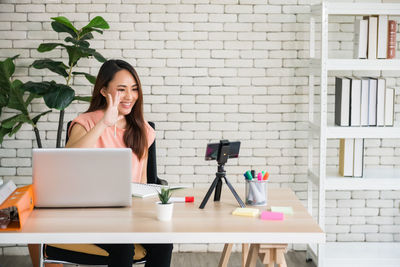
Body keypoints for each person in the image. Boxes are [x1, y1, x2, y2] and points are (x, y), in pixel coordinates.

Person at [29, 59, 173, 267]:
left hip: (127, 215)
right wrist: (104, 123)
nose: (130, 96)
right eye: (121, 89)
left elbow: (143, 182)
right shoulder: (85, 123)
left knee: (163, 243)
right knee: (123, 246)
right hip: (87, 215)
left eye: (134, 89)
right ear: (104, 90)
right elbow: (67, 161)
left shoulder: (144, 130)